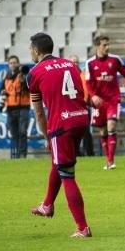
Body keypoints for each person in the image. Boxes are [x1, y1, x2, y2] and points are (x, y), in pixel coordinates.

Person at [27, 33, 93, 238]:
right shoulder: (70, 64)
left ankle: (83, 228)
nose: (30, 52)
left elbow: (38, 112)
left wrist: (47, 135)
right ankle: (47, 204)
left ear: (36, 50)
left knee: (67, 173)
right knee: (60, 162)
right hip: (81, 118)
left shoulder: (34, 73)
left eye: (31, 49)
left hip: (61, 124)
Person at [85, 35, 125, 170]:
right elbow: (88, 83)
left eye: (108, 44)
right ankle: (108, 161)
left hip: (113, 100)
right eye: (104, 45)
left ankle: (111, 160)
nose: (107, 47)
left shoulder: (115, 60)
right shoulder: (90, 63)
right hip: (98, 102)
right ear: (98, 46)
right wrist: (93, 95)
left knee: (111, 126)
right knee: (102, 131)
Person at [1, 56, 32, 160]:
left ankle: (23, 154)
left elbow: (30, 89)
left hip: (23, 107)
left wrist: (24, 81)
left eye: (15, 62)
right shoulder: (7, 77)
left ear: (18, 64)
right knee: (14, 133)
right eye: (11, 63)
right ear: (9, 65)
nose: (13, 64)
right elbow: (1, 90)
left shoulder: (24, 75)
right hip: (10, 108)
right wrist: (2, 92)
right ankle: (19, 154)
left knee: (22, 132)